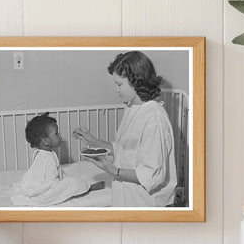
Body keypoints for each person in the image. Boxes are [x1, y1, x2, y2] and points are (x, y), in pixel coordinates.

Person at [73, 51, 177, 207]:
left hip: (147, 202)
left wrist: (114, 170)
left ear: (136, 81)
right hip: (127, 195)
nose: (116, 90)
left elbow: (153, 174)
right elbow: (125, 150)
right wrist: (93, 141)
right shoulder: (132, 108)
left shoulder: (154, 118)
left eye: (119, 84)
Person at [11, 113, 103, 207]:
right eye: (56, 133)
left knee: (65, 178)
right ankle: (88, 188)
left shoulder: (39, 152)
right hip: (43, 193)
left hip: (33, 186)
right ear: (45, 141)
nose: (59, 135)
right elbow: (52, 183)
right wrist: (63, 186)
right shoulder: (49, 158)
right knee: (74, 183)